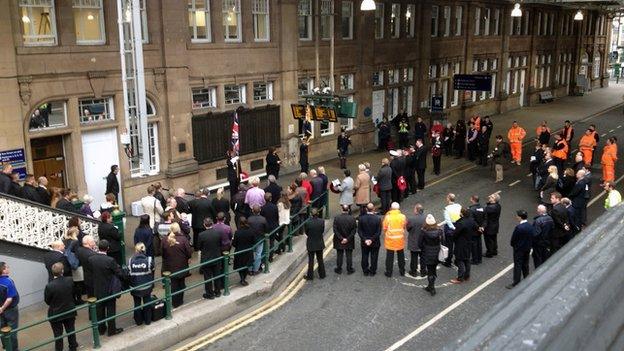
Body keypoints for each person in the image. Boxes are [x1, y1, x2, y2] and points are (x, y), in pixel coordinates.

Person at [89, 240, 124, 336]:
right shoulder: (110, 260)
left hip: (97, 289)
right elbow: (119, 273)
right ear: (108, 248)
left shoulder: (91, 259)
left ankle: (101, 329)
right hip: (109, 289)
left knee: (99, 310)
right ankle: (111, 330)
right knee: (110, 310)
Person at [44, 262, 78, 351]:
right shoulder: (70, 280)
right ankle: (73, 347)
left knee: (58, 335)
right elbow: (74, 293)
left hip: (56, 313)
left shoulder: (49, 286)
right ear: (62, 271)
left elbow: (47, 301)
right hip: (69, 310)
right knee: (71, 331)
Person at [161, 223, 192, 307]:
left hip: (169, 266)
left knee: (174, 285)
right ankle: (180, 301)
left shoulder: (164, 240)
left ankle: (175, 302)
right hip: (182, 265)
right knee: (181, 283)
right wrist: (188, 257)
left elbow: (162, 253)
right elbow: (189, 252)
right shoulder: (183, 239)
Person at [128, 243, 154, 326]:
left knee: (137, 304)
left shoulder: (130, 260)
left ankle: (138, 321)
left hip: (135, 287)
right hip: (147, 286)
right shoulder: (149, 260)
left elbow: (128, 273)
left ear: (136, 250)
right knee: (147, 303)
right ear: (144, 250)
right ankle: (148, 321)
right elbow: (152, 269)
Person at [507, 210, 533, 289]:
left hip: (519, 249)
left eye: (517, 215)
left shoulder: (519, 228)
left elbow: (514, 239)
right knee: (525, 263)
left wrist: (513, 245)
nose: (516, 216)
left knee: (518, 265)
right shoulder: (530, 225)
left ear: (520, 217)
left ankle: (516, 281)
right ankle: (526, 277)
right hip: (527, 248)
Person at [197, 219, 223, 299]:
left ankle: (210, 294)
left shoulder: (201, 235)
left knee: (207, 277)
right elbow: (220, 244)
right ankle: (218, 292)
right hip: (216, 257)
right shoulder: (217, 233)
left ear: (204, 225)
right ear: (212, 224)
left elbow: (199, 247)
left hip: (206, 259)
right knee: (217, 276)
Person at [450, 208, 478, 284]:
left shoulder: (461, 223)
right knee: (467, 259)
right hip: (469, 242)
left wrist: (453, 238)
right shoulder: (472, 220)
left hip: (461, 244)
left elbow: (455, 234)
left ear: (462, 214)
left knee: (460, 260)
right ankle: (467, 276)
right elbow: (476, 228)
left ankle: (460, 278)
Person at [419, 215, 443, 296]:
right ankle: (431, 286)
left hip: (427, 252)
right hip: (437, 252)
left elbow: (419, 244)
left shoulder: (424, 232)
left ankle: (431, 287)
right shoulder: (439, 231)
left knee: (430, 271)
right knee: (433, 270)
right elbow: (443, 241)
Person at [383, 202, 407, 277]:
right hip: (399, 238)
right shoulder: (403, 216)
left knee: (390, 257)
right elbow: (404, 226)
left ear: (391, 208)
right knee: (401, 256)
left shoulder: (388, 217)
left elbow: (384, 228)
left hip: (390, 239)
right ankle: (402, 271)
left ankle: (389, 272)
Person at [438, 193, 462, 267]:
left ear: (448, 199)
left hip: (450, 228)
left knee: (449, 246)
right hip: (458, 226)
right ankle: (457, 260)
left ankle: (448, 261)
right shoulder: (459, 206)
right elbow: (460, 216)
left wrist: (453, 228)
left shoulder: (446, 209)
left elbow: (448, 221)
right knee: (458, 244)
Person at [332, 205, 357, 274]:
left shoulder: (337, 218)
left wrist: (341, 238)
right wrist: (347, 239)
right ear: (348, 210)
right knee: (349, 255)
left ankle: (339, 269)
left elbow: (335, 230)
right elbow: (354, 230)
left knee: (339, 254)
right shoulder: (352, 218)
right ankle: (349, 269)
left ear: (342, 209)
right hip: (349, 240)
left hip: (339, 240)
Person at [358, 203, 381, 276]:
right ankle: (372, 271)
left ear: (366, 209)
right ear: (373, 209)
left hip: (364, 242)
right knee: (374, 257)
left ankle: (365, 271)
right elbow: (378, 232)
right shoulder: (378, 219)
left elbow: (359, 231)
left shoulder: (361, 218)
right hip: (375, 242)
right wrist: (371, 240)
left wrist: (365, 239)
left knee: (364, 256)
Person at [0, 262, 19, 351]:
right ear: (3, 270)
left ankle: (6, 347)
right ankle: (13, 349)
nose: (8, 268)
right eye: (7, 267)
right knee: (12, 330)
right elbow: (9, 299)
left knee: (2, 329)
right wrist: (2, 308)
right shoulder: (8, 281)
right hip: (10, 310)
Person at [232, 217, 256, 286]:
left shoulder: (237, 232)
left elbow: (234, 244)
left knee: (240, 266)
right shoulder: (251, 231)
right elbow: (254, 241)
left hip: (239, 251)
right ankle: (243, 279)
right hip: (248, 251)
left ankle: (242, 278)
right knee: (246, 265)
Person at [303, 209, 326, 280]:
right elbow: (322, 231)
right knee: (320, 259)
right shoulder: (322, 221)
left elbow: (306, 232)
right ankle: (322, 274)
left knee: (311, 260)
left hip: (311, 243)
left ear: (311, 214)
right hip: (319, 242)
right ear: (318, 214)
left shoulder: (307, 223)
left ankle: (310, 276)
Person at [406, 204, 426, 277]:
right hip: (424, 241)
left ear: (417, 210)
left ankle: (413, 271)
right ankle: (423, 271)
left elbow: (408, 228)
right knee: (423, 257)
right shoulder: (426, 218)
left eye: (414, 209)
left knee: (414, 257)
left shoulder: (411, 219)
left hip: (414, 241)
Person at [532, 205, 554, 269]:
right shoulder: (550, 219)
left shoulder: (538, 221)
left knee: (538, 259)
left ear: (539, 211)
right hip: (547, 242)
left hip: (539, 243)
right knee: (545, 258)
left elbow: (536, 234)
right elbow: (552, 229)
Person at [248, 205, 268, 274]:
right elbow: (266, 229)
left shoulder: (249, 219)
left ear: (252, 211)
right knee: (258, 254)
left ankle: (250, 269)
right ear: (260, 211)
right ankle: (256, 269)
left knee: (251, 254)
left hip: (251, 239)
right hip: (260, 239)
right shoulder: (263, 219)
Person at [261, 193, 280, 261]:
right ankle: (271, 257)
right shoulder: (275, 207)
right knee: (272, 242)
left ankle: (264, 258)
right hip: (273, 226)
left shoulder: (262, 208)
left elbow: (262, 218)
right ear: (271, 198)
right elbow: (277, 217)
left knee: (265, 243)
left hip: (266, 227)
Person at [468, 195, 485, 265]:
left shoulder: (471, 209)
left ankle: (475, 260)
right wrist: (482, 227)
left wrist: (478, 227)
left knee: (474, 245)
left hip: (474, 230)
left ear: (472, 200)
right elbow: (485, 218)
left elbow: (472, 221)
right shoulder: (482, 208)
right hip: (481, 229)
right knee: (479, 243)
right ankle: (480, 259)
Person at [483, 193, 501, 257]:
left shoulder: (490, 208)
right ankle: (494, 250)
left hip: (489, 226)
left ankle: (489, 253)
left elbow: (484, 210)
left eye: (492, 197)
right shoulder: (498, 205)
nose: (490, 197)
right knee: (494, 238)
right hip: (495, 225)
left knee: (488, 240)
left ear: (494, 200)